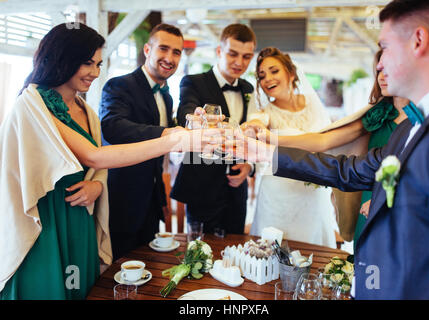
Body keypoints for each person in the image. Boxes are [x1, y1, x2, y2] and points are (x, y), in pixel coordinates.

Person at [238, 0, 429, 299]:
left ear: (418, 40)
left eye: (385, 47)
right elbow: (348, 170)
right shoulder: (407, 128)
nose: (378, 63)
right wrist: (265, 154)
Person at [0, 23, 218, 299]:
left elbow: (95, 164)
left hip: (81, 214)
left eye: (99, 64)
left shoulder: (86, 110)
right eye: (87, 63)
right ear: (62, 58)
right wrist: (175, 139)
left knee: (85, 288)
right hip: (46, 218)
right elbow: (96, 154)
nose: (95, 72)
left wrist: (98, 185)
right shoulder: (31, 104)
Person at [245, 49, 411, 246]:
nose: (382, 76)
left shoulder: (424, 120)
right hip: (286, 189)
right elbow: (324, 141)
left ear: (291, 73)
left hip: (398, 202)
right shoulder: (377, 114)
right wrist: (264, 135)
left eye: (274, 71)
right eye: (378, 71)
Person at [99, 24, 184, 260]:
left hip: (151, 201)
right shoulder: (119, 85)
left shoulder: (166, 96)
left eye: (176, 52)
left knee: (148, 268)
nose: (170, 58)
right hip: (123, 198)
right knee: (118, 273)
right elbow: (112, 128)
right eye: (163, 49)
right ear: (147, 49)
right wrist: (167, 133)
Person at [170, 24, 258, 235]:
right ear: (219, 51)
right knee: (200, 254)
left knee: (236, 251)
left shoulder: (248, 89)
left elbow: (252, 133)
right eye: (233, 54)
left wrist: (249, 166)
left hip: (237, 191)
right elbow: (186, 112)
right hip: (202, 187)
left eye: (246, 57)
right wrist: (195, 118)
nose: (239, 62)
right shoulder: (193, 82)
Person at [245, 47, 338, 247]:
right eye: (262, 76)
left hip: (312, 193)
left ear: (291, 73)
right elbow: (257, 123)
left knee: (313, 252)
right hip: (278, 195)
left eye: (274, 71)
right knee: (274, 253)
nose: (267, 78)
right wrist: (254, 126)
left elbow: (329, 141)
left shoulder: (313, 102)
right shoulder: (265, 111)